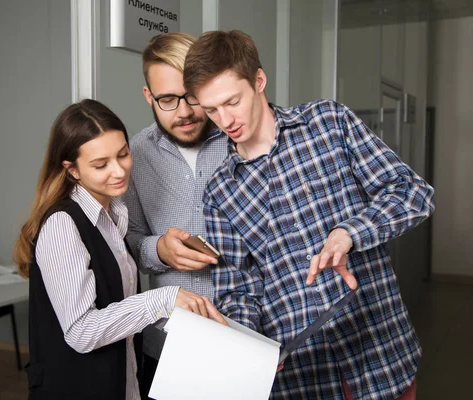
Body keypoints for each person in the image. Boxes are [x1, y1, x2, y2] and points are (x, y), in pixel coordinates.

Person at [183, 30, 435, 399]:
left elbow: (412, 193)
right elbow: (238, 288)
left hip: (380, 356)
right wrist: (250, 344)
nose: (225, 120)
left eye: (232, 101)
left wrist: (349, 232)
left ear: (259, 80)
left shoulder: (328, 123)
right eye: (211, 110)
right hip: (303, 377)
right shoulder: (220, 191)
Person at [13, 99, 225, 399]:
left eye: (123, 154)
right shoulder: (63, 224)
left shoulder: (115, 216)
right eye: (101, 164)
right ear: (71, 170)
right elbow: (81, 331)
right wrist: (164, 298)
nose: (119, 170)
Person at [122, 32, 229, 397]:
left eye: (192, 95)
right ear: (148, 96)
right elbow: (128, 240)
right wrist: (159, 250)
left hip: (250, 337)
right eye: (167, 99)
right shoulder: (133, 156)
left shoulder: (241, 139)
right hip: (170, 342)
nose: (183, 112)